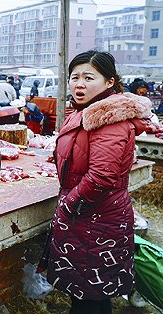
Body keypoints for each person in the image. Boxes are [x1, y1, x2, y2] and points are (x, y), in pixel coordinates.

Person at [41, 51, 151, 314]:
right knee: (92, 294)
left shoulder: (107, 118)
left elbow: (102, 175)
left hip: (95, 219)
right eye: (74, 77)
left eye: (89, 77)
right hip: (90, 218)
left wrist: (69, 204)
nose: (79, 84)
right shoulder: (86, 111)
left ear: (109, 81)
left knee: (89, 295)